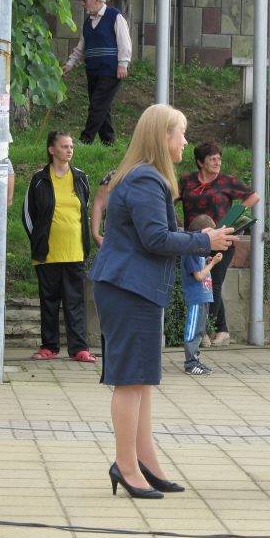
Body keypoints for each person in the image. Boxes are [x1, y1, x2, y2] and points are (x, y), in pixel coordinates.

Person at [89, 104, 236, 499]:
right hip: (127, 288)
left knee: (142, 379)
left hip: (134, 287)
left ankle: (144, 461)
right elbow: (156, 239)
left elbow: (160, 236)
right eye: (181, 133)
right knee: (130, 380)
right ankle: (125, 465)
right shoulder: (144, 180)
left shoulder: (146, 178)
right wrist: (206, 240)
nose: (185, 141)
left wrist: (206, 239)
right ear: (162, 136)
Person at [21, 131, 94, 363]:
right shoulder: (39, 179)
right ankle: (49, 347)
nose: (69, 150)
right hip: (47, 253)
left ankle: (79, 349)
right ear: (52, 150)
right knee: (49, 301)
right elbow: (27, 215)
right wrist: (38, 241)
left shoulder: (81, 177)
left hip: (75, 251)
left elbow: (85, 209)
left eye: (71, 146)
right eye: (64, 146)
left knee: (75, 301)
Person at [179, 142, 260, 347]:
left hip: (223, 239)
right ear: (200, 162)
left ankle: (203, 330)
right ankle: (223, 331)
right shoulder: (187, 181)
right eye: (212, 159)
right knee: (204, 282)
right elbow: (171, 199)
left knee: (213, 283)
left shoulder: (227, 181)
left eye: (219, 158)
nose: (217, 162)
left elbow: (254, 196)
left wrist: (235, 216)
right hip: (195, 239)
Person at [62, 0, 132, 145]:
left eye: (85, 0)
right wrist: (70, 64)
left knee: (97, 104)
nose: (83, 4)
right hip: (93, 71)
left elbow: (125, 42)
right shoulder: (88, 22)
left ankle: (86, 139)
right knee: (102, 107)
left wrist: (123, 63)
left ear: (96, 0)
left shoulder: (114, 16)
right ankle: (108, 141)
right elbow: (81, 47)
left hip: (111, 70)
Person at [181, 214, 224, 376]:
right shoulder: (191, 250)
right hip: (196, 296)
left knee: (199, 331)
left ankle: (195, 360)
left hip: (203, 296)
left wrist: (208, 260)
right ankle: (190, 363)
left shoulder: (198, 250)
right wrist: (212, 264)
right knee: (193, 331)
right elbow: (198, 276)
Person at [91, 169, 116, 247]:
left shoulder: (152, 179)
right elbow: (99, 204)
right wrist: (95, 235)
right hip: (114, 243)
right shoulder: (115, 175)